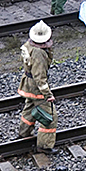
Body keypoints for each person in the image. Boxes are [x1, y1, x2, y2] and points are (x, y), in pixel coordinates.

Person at [18, 21, 59, 154]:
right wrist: (48, 94)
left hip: (28, 83)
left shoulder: (28, 45)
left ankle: (24, 134)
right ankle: (44, 145)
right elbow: (40, 77)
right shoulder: (39, 53)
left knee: (30, 109)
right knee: (50, 116)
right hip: (36, 87)